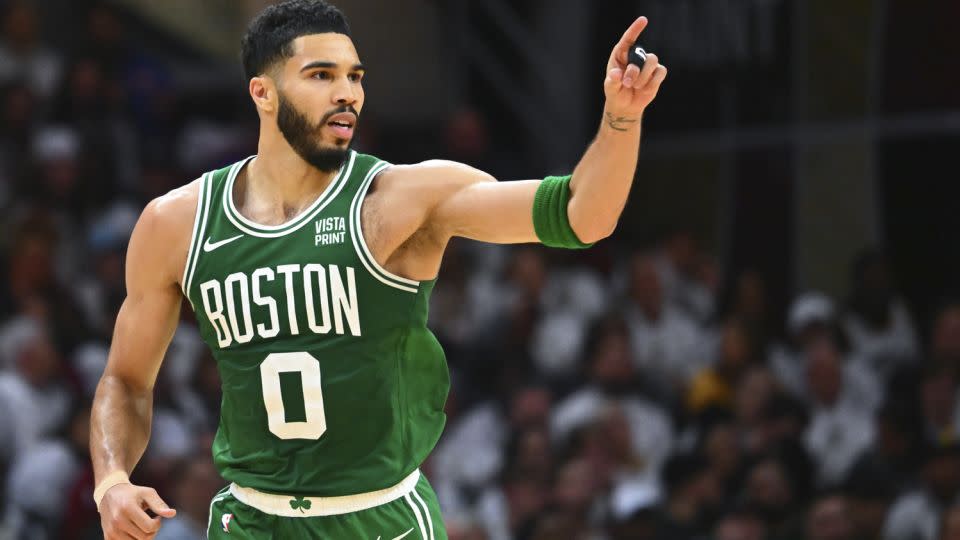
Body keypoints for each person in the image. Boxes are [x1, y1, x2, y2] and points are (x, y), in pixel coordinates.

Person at [87, 1, 668, 539]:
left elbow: (581, 215)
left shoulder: (402, 198)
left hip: (380, 518)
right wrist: (111, 480)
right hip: (251, 518)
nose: (347, 94)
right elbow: (125, 381)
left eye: (355, 76)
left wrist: (620, 119)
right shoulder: (176, 223)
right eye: (322, 76)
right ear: (263, 93)